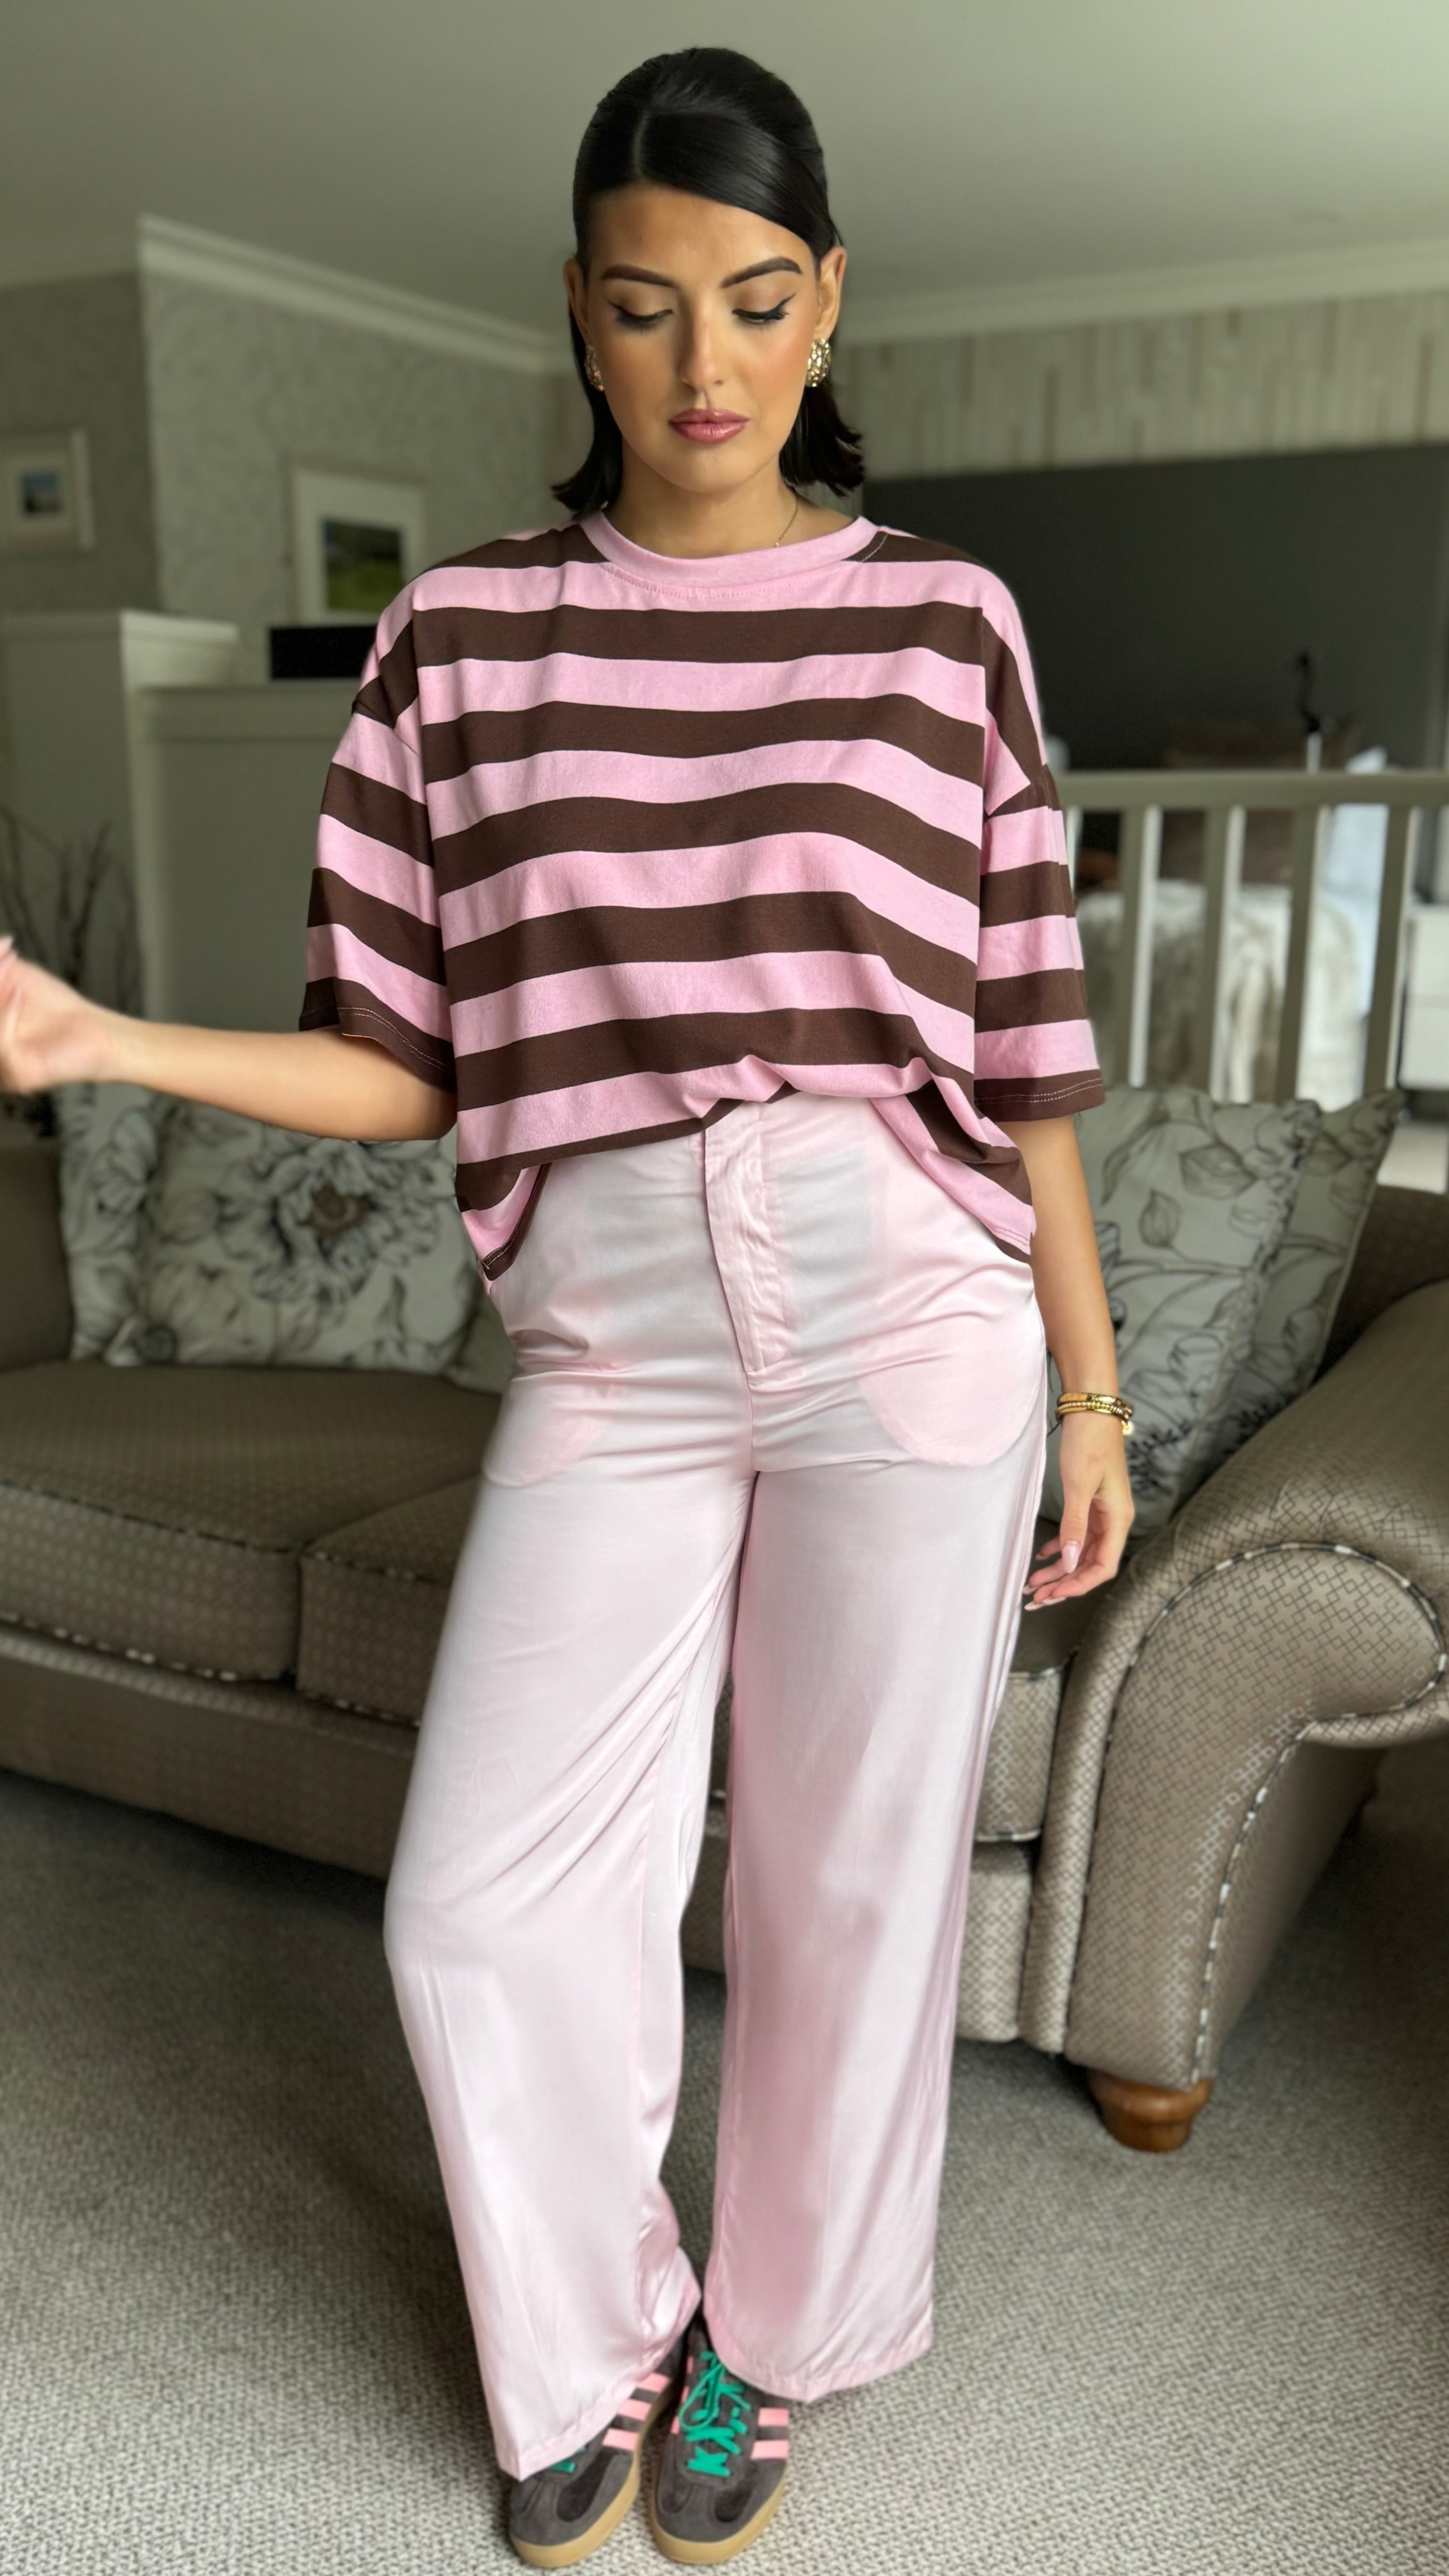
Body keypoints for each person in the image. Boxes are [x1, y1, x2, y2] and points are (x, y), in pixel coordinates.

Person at [0, 46, 1133, 2569]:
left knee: (845, 1884)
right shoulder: (459, 639)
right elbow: (400, 1062)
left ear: (826, 300)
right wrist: (103, 1043)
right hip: (615, 1329)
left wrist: (1090, 1384)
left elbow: (1027, 1050)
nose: (704, 362)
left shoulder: (942, 622)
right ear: (578, 314)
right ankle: (588, 2329)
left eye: (753, 299)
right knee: (473, 1897)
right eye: (645, 306)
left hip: (905, 1303)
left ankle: (771, 2339)